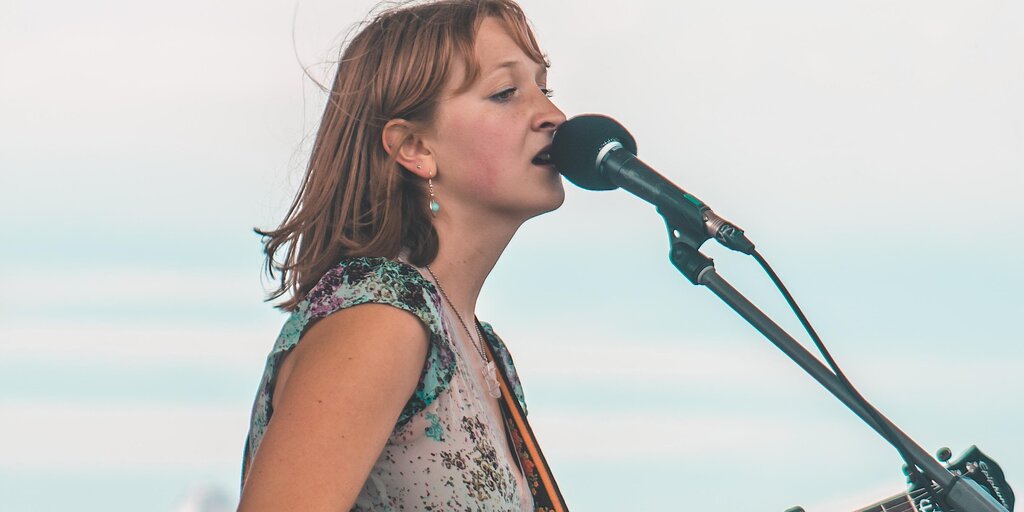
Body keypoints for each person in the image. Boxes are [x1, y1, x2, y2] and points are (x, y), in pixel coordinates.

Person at [237, 0, 568, 510]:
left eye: (544, 90)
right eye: (505, 93)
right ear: (414, 148)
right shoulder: (381, 319)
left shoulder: (481, 349)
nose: (554, 116)